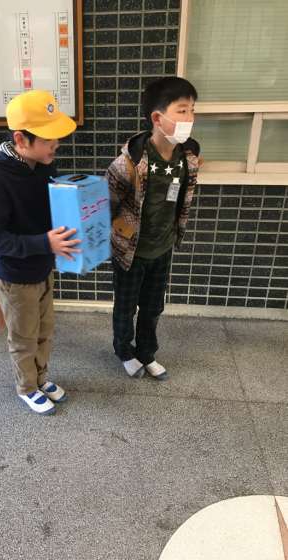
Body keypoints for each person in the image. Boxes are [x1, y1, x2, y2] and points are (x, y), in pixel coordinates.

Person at [0, 90, 80, 415]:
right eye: (48, 138)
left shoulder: (42, 164)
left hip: (42, 266)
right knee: (23, 336)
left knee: (45, 330)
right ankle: (26, 387)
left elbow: (50, 208)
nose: (56, 144)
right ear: (21, 139)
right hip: (14, 275)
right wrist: (44, 244)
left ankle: (41, 378)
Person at [106, 77, 201, 380]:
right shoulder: (129, 163)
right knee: (126, 306)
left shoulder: (188, 158)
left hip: (162, 248)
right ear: (158, 118)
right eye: (182, 111)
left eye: (192, 110)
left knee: (153, 307)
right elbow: (106, 205)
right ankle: (124, 350)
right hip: (131, 252)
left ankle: (147, 352)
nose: (190, 118)